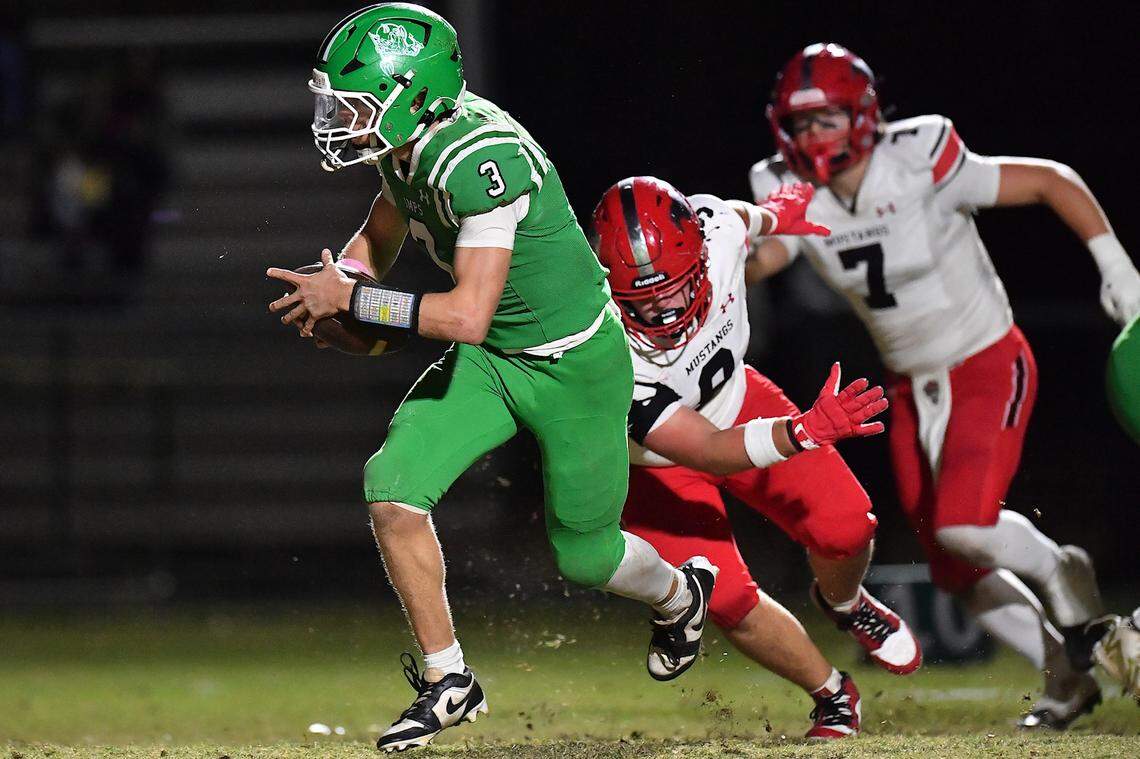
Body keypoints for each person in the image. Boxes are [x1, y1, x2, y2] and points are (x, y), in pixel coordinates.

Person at [265, 5, 716, 751]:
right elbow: (380, 232)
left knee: (585, 554)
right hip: (494, 362)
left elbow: (467, 313)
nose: (339, 118)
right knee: (393, 485)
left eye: (355, 103)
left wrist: (356, 301)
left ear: (412, 94)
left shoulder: (480, 158)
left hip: (573, 363)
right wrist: (344, 280)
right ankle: (451, 680)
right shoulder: (408, 145)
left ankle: (680, 592)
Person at [748, 42, 1140, 728]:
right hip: (911, 386)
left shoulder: (920, 155)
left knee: (965, 524)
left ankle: (1064, 578)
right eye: (802, 124)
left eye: (829, 119)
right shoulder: (784, 184)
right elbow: (774, 253)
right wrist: (715, 251)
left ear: (864, 116)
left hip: (986, 358)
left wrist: (1115, 264)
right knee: (954, 563)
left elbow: (1051, 180)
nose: (814, 137)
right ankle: (1068, 678)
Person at [590, 176, 920, 739]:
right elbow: (711, 452)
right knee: (727, 598)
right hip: (658, 463)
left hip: (742, 402)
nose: (662, 310)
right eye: (640, 300)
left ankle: (845, 602)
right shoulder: (601, 343)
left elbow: (741, 216)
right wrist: (803, 430)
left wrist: (775, 212)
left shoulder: (717, 231)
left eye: (670, 287)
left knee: (848, 527)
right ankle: (834, 694)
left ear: (698, 252)